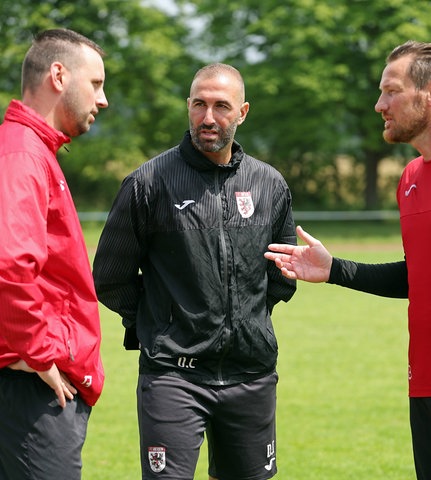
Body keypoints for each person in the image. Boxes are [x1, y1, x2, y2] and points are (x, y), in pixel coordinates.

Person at [265, 40, 431, 480]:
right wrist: (334, 269)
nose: (379, 104)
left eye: (391, 91)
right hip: (426, 389)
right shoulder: (411, 177)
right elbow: (417, 276)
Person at [92, 63, 296, 480]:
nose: (208, 117)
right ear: (188, 106)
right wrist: (157, 323)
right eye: (199, 104)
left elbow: (282, 274)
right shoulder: (147, 183)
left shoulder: (269, 185)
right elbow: (110, 277)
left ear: (243, 112)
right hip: (173, 377)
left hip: (251, 375)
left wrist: (244, 320)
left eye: (222, 106)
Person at [0, 29, 108, 479]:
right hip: (32, 386)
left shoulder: (28, 150)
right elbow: (9, 263)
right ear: (59, 75)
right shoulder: (23, 154)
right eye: (97, 84)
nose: (102, 100)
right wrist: (40, 352)